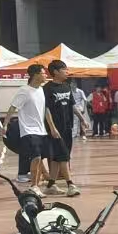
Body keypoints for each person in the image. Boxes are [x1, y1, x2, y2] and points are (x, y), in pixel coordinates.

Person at [7, 63, 52, 194]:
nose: (45, 75)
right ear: (36, 75)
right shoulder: (24, 90)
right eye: (43, 73)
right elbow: (13, 107)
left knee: (40, 158)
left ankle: (38, 183)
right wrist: (5, 125)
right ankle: (34, 185)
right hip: (28, 130)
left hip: (41, 130)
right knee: (36, 158)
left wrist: (52, 128)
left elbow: (45, 110)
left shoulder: (42, 90)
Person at [42, 60, 81, 197]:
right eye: (64, 69)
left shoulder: (66, 86)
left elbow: (72, 105)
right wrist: (52, 128)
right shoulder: (47, 88)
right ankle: (71, 185)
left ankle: (51, 185)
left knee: (58, 157)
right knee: (63, 156)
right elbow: (46, 109)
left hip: (67, 127)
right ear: (55, 72)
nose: (67, 72)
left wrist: (82, 119)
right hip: (55, 129)